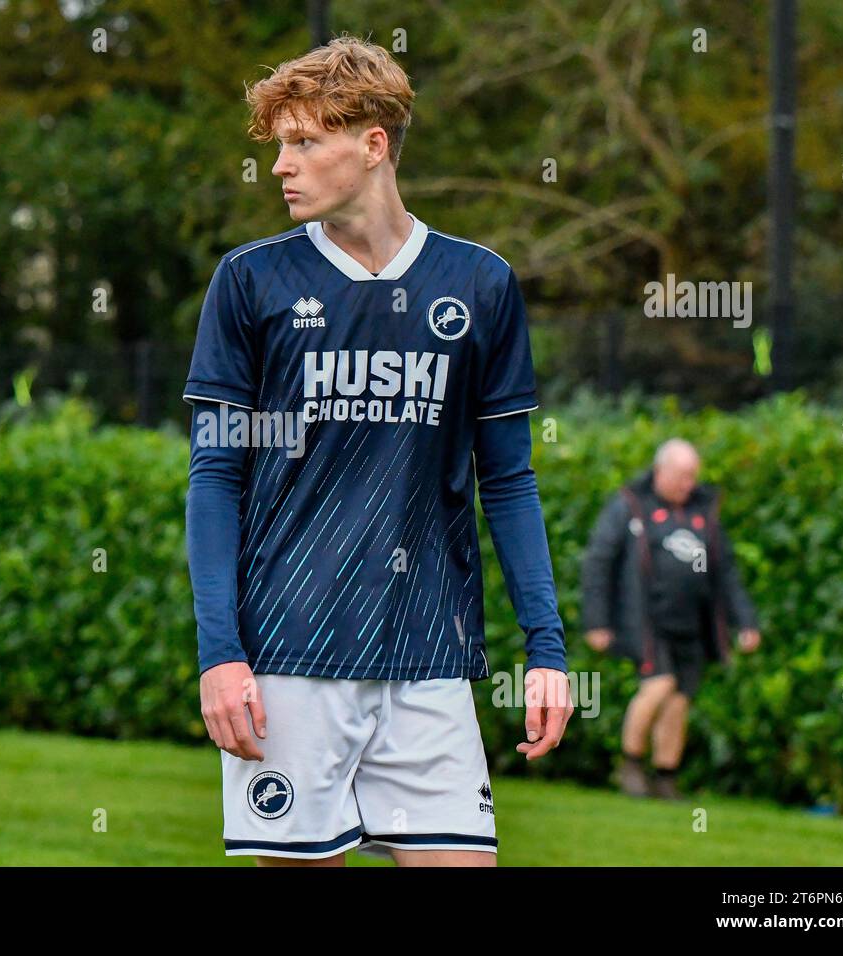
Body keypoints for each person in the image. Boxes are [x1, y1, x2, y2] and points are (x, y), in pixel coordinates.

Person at [183, 35, 572, 868]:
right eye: (279, 143)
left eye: (303, 141)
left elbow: (507, 478)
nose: (280, 165)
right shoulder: (251, 283)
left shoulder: (480, 284)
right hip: (291, 659)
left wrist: (546, 647)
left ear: (372, 144)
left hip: (429, 655)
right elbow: (216, 473)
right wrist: (221, 654)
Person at [581, 439, 761, 801]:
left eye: (693, 476)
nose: (688, 484)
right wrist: (596, 621)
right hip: (645, 619)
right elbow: (599, 561)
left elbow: (725, 572)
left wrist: (746, 622)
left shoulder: (702, 513)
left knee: (679, 700)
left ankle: (665, 776)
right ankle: (630, 764)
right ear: (660, 471)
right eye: (681, 476)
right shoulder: (630, 506)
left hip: (691, 625)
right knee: (658, 685)